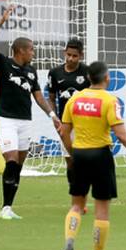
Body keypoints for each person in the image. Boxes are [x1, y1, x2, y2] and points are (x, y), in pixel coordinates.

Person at [58, 61, 126, 250]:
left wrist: (72, 152)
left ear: (88, 78)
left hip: (80, 155)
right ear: (107, 78)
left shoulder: (74, 99)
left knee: (76, 205)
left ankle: (68, 244)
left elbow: (63, 131)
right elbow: (121, 135)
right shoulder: (109, 101)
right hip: (100, 156)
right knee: (101, 211)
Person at [0, 5, 61, 220]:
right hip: (5, 118)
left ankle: (8, 206)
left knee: (18, 165)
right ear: (21, 50)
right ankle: (4, 209)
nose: (33, 52)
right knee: (10, 160)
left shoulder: (30, 71)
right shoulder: (3, 63)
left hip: (24, 121)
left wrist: (52, 115)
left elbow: (38, 96)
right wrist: (1, 21)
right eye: (31, 49)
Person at [47, 38, 90, 202]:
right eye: (68, 55)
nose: (70, 59)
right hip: (66, 124)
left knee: (83, 162)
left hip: (85, 123)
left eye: (74, 56)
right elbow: (51, 98)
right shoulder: (55, 73)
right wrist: (54, 116)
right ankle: (76, 195)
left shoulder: (88, 72)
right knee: (70, 162)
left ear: (81, 55)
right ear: (65, 53)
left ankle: (81, 197)